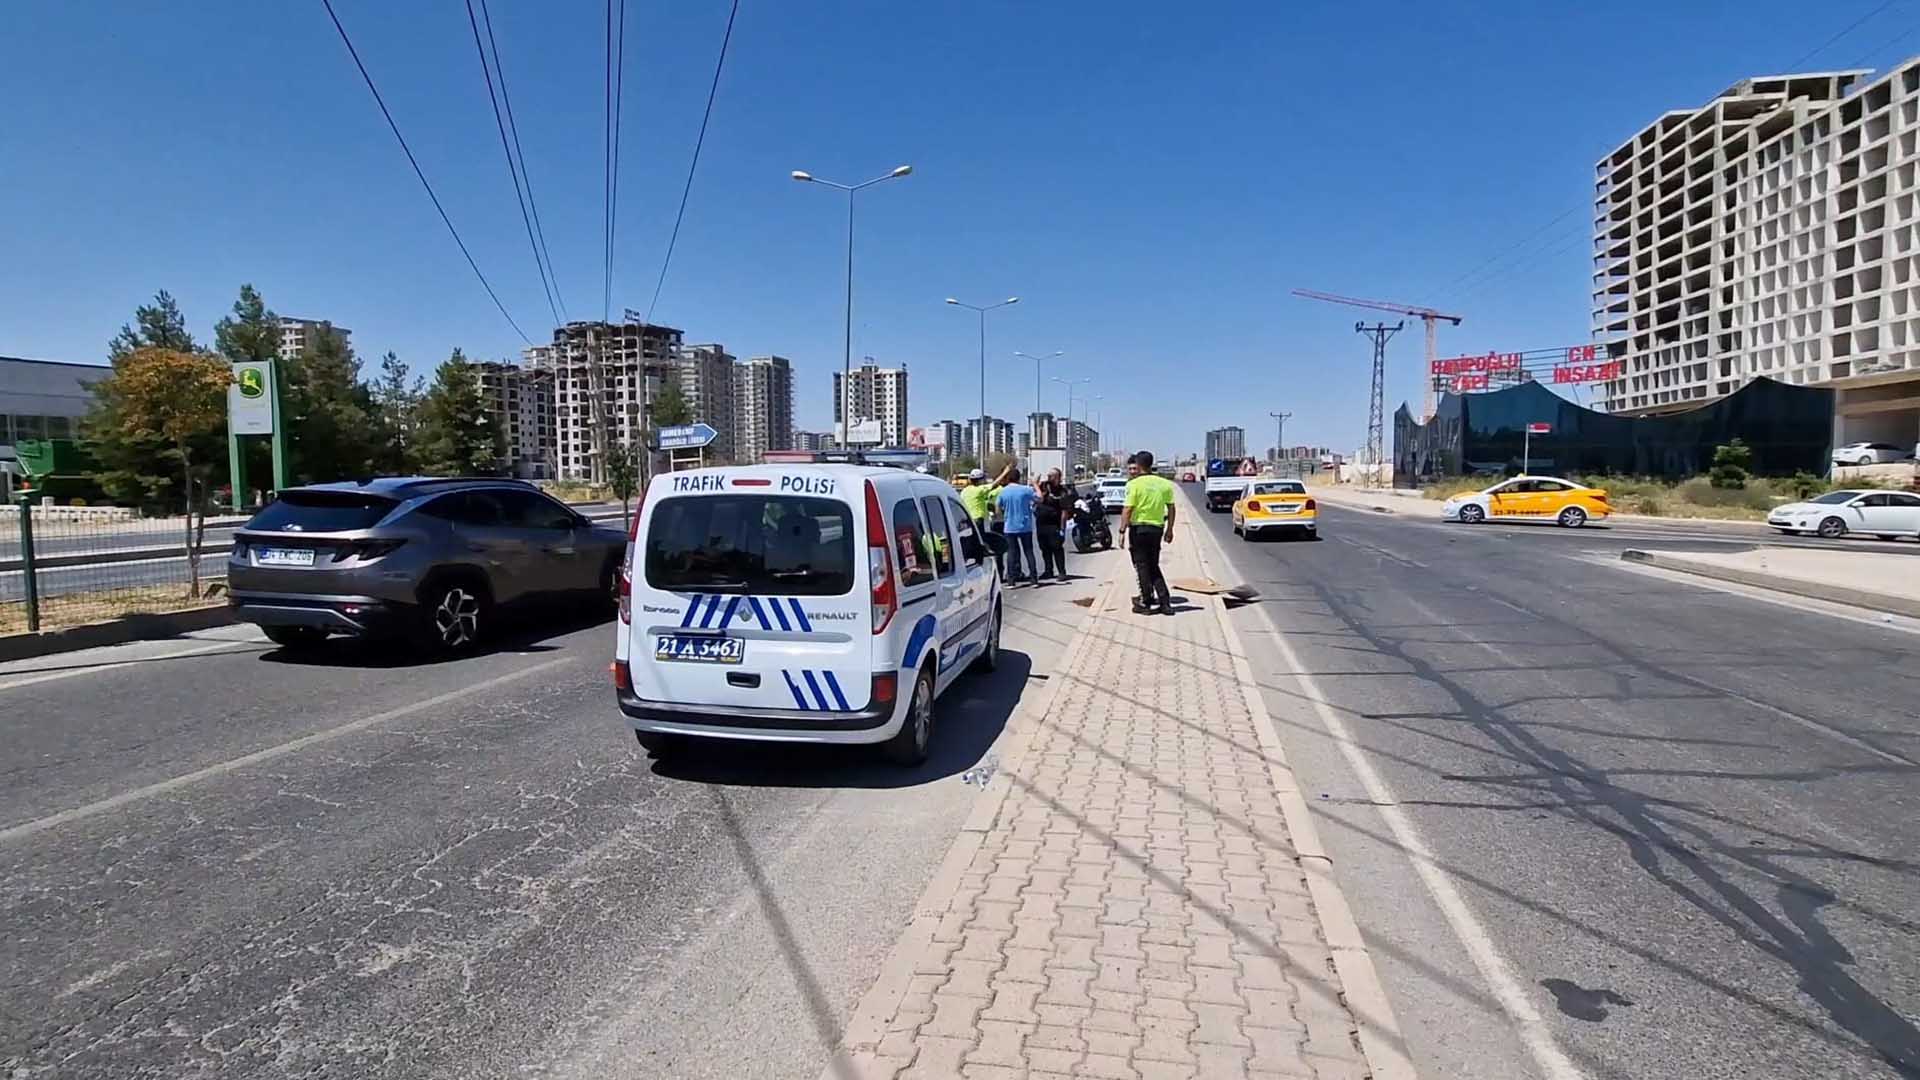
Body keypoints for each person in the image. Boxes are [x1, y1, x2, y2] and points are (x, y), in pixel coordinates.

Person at [1117, 449, 1177, 615]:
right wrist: (1170, 529)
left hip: (1139, 529)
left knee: (1142, 566)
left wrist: (1122, 531)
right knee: (1153, 565)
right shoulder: (1164, 483)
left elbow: (1127, 509)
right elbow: (1171, 508)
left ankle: (1146, 602)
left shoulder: (1133, 484)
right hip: (1157, 528)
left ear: (1139, 465)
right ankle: (1165, 602)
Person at [996, 468, 1040, 586]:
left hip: (1009, 526)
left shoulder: (1003, 492)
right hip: (1025, 526)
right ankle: (1034, 579)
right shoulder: (1026, 490)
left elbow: (997, 509)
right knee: (1029, 552)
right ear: (1019, 478)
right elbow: (1039, 498)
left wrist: (1004, 515)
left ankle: (1011, 580)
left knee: (1011, 553)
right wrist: (1035, 484)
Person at [1035, 468, 1072, 581]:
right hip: (1041, 524)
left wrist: (1062, 528)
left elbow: (1064, 512)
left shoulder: (1062, 492)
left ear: (1059, 477)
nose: (1050, 477)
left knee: (1057, 548)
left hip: (1054, 525)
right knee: (1044, 548)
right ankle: (1048, 570)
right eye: (1049, 475)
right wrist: (1038, 480)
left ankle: (1061, 572)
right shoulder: (1044, 486)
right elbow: (1035, 489)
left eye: (1053, 476)